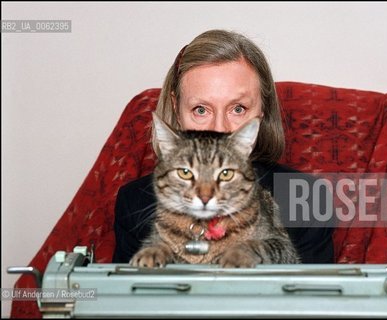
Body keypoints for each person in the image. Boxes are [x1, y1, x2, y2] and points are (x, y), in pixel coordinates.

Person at [112, 29, 334, 264]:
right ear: (176, 110)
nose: (220, 128)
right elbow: (121, 297)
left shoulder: (307, 197)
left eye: (238, 108)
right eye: (201, 110)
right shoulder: (133, 202)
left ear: (262, 110)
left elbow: (315, 297)